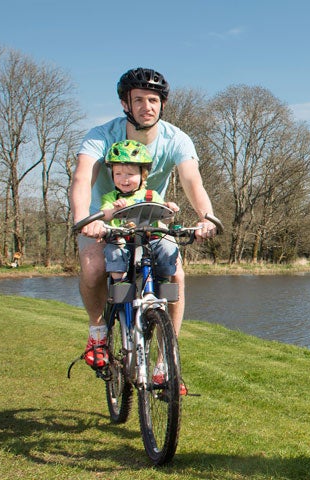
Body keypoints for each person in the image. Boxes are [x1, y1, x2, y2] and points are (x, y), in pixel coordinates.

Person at [71, 68, 216, 391]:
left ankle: (166, 361)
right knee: (94, 267)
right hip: (103, 218)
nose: (146, 107)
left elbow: (193, 181)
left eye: (153, 100)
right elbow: (82, 179)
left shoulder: (176, 139)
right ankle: (97, 334)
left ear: (162, 104)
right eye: (138, 100)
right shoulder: (101, 135)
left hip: (151, 215)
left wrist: (207, 217)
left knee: (175, 273)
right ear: (126, 104)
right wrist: (85, 219)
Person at [98, 140, 180, 283]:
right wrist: (114, 210)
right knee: (114, 250)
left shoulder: (151, 195)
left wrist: (170, 210)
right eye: (118, 174)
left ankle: (163, 281)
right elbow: (105, 215)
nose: (124, 179)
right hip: (123, 240)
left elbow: (165, 219)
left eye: (130, 174)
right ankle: (119, 283)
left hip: (151, 239)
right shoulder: (111, 197)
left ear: (143, 175)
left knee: (168, 246)